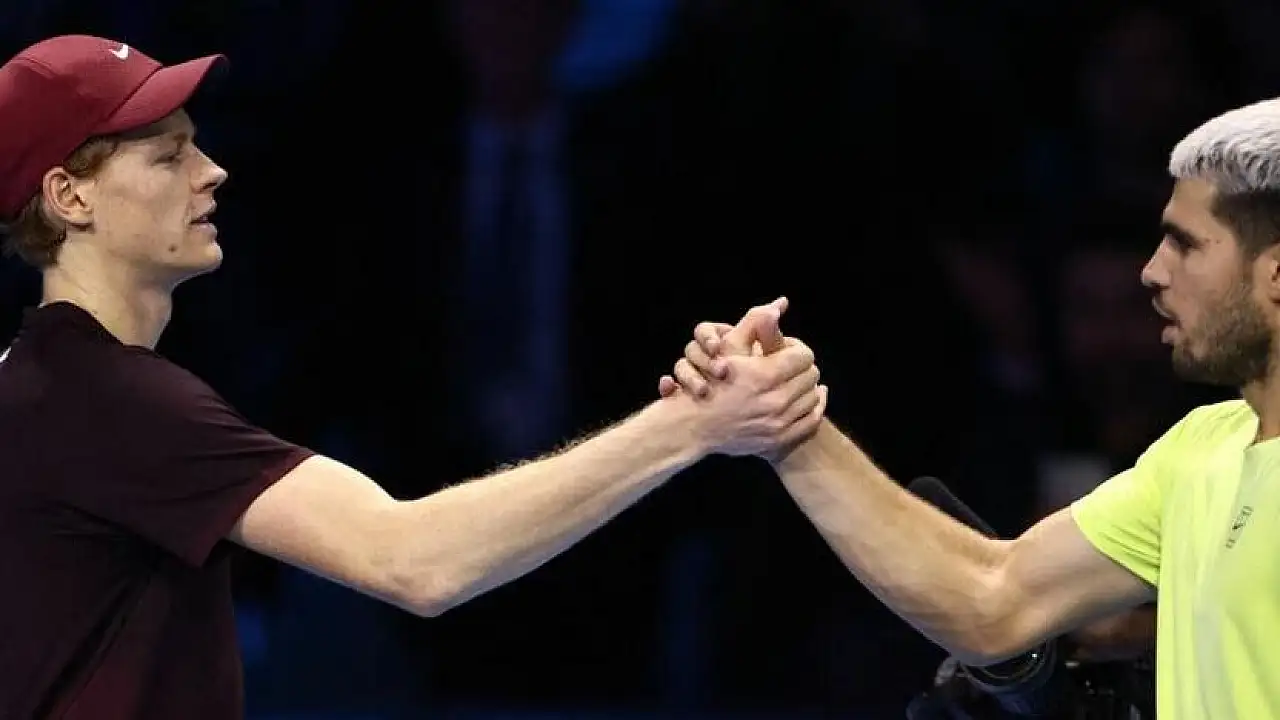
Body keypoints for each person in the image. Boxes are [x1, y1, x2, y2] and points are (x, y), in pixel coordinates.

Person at [0, 35, 827, 719]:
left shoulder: (46, 381)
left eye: (198, 143)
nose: (210, 170)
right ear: (70, 197)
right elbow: (414, 561)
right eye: (168, 155)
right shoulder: (109, 399)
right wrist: (692, 423)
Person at [664, 96, 1280, 718]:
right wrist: (781, 415)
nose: (1151, 271)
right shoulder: (1200, 449)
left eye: (1185, 245)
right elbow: (994, 601)